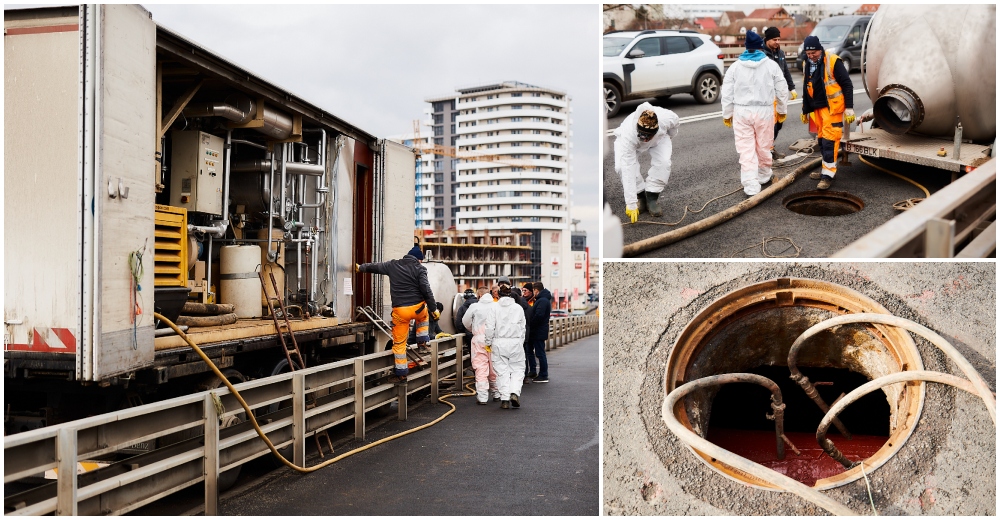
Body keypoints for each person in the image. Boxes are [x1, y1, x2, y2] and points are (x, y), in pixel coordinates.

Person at [721, 30, 789, 197]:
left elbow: (727, 93)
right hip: (764, 111)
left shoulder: (735, 67)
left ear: (746, 47)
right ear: (760, 47)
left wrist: (727, 114)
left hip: (741, 111)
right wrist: (781, 110)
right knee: (764, 145)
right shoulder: (771, 65)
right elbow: (782, 89)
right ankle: (764, 175)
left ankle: (751, 185)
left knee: (746, 149)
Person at [356, 245, 438, 384]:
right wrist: (433, 308)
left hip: (400, 311)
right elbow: (426, 290)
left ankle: (401, 375)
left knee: (399, 345)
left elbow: (376, 267)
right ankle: (423, 342)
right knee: (425, 315)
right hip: (417, 309)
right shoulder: (420, 269)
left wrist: (361, 267)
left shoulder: (392, 265)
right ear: (419, 260)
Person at [799, 35, 855, 190]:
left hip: (832, 108)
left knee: (830, 142)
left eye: (814, 53)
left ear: (820, 49)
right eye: (808, 54)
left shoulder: (833, 61)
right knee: (822, 141)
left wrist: (849, 108)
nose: (811, 56)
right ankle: (826, 170)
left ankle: (828, 176)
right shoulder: (807, 63)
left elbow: (847, 85)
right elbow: (806, 86)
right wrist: (805, 109)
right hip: (817, 109)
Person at [612, 102, 680, 223]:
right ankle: (640, 195)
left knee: (664, 162)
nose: (644, 140)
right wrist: (631, 204)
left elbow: (675, 123)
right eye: (642, 136)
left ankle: (652, 197)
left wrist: (670, 135)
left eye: (647, 137)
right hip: (631, 143)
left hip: (659, 139)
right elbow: (628, 168)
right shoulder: (628, 135)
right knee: (621, 167)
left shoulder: (666, 118)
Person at [483, 276, 526, 409]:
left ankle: (505, 399)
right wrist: (520, 341)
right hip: (515, 343)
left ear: (499, 294)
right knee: (517, 369)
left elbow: (490, 328)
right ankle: (514, 392)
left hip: (498, 343)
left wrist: (488, 343)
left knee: (502, 372)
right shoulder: (518, 308)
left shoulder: (494, 308)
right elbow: (522, 328)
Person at [762, 27, 797, 160]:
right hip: (768, 96)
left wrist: (791, 88)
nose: (777, 42)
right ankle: (767, 151)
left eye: (778, 39)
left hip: (780, 95)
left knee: (779, 123)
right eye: (774, 39)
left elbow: (786, 71)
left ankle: (769, 147)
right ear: (767, 40)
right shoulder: (762, 54)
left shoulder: (780, 53)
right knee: (770, 125)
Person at [462, 287, 499, 404]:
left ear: (479, 295)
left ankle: (482, 397)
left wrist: (473, 329)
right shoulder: (496, 306)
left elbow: (465, 321)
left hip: (479, 339)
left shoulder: (474, 307)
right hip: (494, 339)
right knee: (495, 367)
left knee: (480, 367)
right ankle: (497, 393)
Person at [529, 281, 552, 383]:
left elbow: (539, 315)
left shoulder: (542, 301)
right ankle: (542, 374)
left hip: (538, 331)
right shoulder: (543, 299)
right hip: (540, 330)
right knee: (540, 353)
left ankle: (543, 375)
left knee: (540, 353)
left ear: (536, 290)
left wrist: (531, 324)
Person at [521, 283, 536, 382]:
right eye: (523, 290)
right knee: (528, 352)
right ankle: (529, 372)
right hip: (526, 331)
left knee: (529, 352)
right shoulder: (522, 301)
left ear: (531, 291)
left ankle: (532, 371)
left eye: (525, 290)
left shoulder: (534, 302)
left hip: (531, 330)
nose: (524, 292)